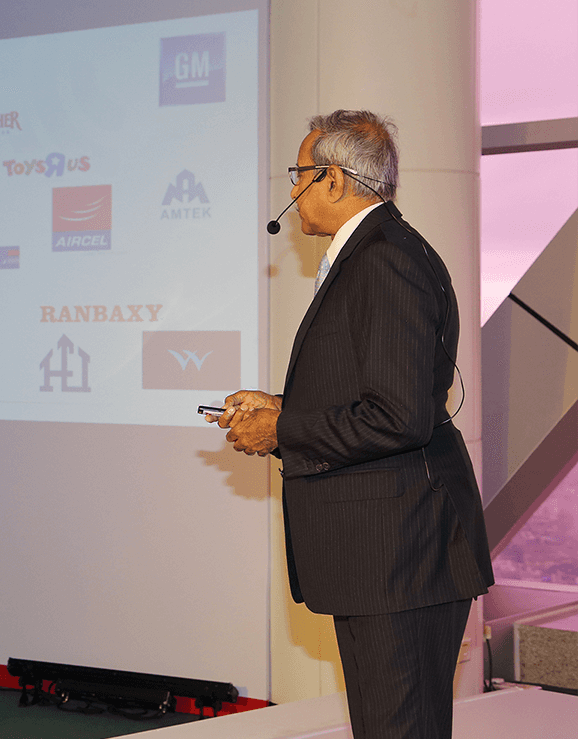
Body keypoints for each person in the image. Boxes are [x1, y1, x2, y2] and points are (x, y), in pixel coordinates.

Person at [210, 110, 494, 739]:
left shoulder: (385, 258)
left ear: (332, 179)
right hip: (385, 554)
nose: (292, 189)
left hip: (402, 554)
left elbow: (398, 417)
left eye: (298, 174)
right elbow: (372, 392)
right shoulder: (376, 252)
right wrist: (281, 407)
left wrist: (281, 430)